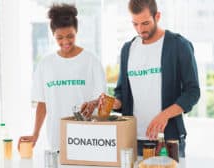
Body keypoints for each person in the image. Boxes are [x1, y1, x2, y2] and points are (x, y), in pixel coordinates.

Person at [100, 0, 200, 157]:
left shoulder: (178, 45)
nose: (140, 29)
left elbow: (193, 92)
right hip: (132, 139)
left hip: (168, 140)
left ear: (157, 16)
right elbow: (122, 93)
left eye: (145, 23)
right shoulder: (128, 49)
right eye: (135, 24)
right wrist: (114, 102)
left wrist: (164, 115)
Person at [18, 3, 106, 151]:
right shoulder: (45, 64)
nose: (65, 42)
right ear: (53, 35)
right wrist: (35, 134)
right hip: (56, 140)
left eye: (70, 36)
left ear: (76, 31)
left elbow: (103, 99)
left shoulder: (91, 60)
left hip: (88, 140)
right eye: (60, 37)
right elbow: (42, 103)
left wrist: (94, 103)